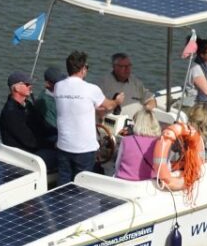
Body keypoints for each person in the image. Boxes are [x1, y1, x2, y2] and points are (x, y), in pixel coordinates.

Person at [55, 51, 124, 185]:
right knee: (83, 185)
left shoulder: (58, 86)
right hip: (84, 149)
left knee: (63, 183)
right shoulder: (91, 89)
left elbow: (77, 104)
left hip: (63, 145)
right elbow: (108, 105)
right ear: (82, 69)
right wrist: (117, 101)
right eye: (87, 67)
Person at [0, 70, 56, 170]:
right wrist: (53, 144)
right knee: (64, 157)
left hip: (34, 148)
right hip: (24, 156)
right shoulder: (10, 113)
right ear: (16, 88)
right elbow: (29, 141)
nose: (31, 86)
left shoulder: (27, 105)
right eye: (27, 84)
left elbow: (42, 125)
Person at [114, 108, 162, 181]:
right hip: (146, 184)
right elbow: (163, 168)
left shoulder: (126, 140)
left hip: (123, 182)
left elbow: (117, 165)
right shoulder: (159, 143)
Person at [34, 66, 66, 143]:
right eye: (58, 82)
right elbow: (54, 125)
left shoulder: (61, 94)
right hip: (51, 136)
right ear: (48, 84)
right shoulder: (45, 101)